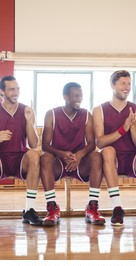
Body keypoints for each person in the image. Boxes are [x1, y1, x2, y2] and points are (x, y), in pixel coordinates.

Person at [92, 70, 136, 226]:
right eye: (123, 83)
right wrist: (123, 128)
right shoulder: (99, 110)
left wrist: (133, 125)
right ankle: (117, 207)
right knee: (108, 150)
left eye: (129, 83)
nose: (127, 87)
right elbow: (100, 143)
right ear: (112, 85)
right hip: (111, 160)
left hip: (132, 159)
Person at [0, 75, 42, 227]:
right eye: (12, 89)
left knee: (35, 154)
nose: (16, 92)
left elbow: (34, 144)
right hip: (0, 160)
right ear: (1, 92)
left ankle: (29, 209)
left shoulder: (27, 110)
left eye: (18, 89)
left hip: (21, 159)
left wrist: (29, 121)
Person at [40, 82, 105, 227]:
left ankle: (92, 207)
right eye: (76, 95)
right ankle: (52, 208)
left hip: (79, 162)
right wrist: (61, 154)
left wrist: (79, 155)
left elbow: (91, 144)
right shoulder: (51, 114)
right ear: (65, 97)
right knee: (45, 158)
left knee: (96, 156)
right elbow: (45, 145)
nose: (79, 99)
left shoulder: (86, 115)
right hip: (58, 162)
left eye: (81, 95)